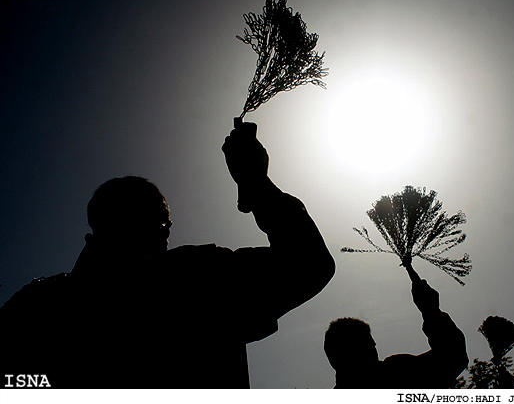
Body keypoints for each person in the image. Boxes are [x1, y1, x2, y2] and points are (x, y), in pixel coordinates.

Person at [0, 118, 335, 388]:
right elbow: (309, 264)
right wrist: (255, 183)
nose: (166, 235)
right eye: (163, 225)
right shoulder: (198, 280)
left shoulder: (37, 304)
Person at [323, 278, 468, 388]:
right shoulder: (396, 374)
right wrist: (431, 311)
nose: (374, 347)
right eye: (368, 345)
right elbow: (453, 357)